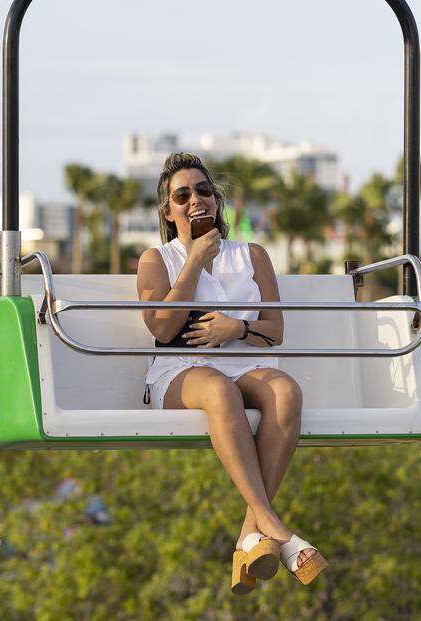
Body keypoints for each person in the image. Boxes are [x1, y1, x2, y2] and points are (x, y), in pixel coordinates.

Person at [136, 152, 325, 593]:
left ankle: (251, 536)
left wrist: (236, 327)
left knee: (286, 392)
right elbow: (161, 327)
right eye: (182, 196)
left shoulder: (252, 255)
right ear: (168, 211)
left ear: (217, 200)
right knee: (221, 392)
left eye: (203, 191)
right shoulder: (156, 259)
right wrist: (194, 261)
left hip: (247, 361)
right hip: (182, 370)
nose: (195, 200)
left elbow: (274, 330)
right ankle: (275, 529)